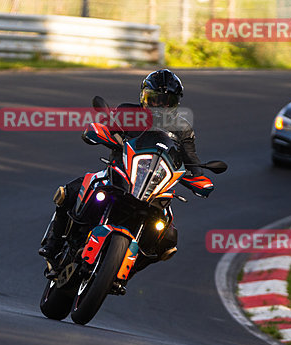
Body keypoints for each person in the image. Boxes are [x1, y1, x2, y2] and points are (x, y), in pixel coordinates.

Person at [38, 69, 213, 265]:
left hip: (155, 186)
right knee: (71, 191)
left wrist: (199, 177)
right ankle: (53, 242)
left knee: (168, 237)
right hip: (120, 173)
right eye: (154, 99)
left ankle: (128, 267)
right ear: (144, 97)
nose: (159, 106)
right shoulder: (128, 112)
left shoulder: (183, 129)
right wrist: (99, 132)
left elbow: (190, 157)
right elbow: (107, 126)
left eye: (166, 101)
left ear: (175, 104)